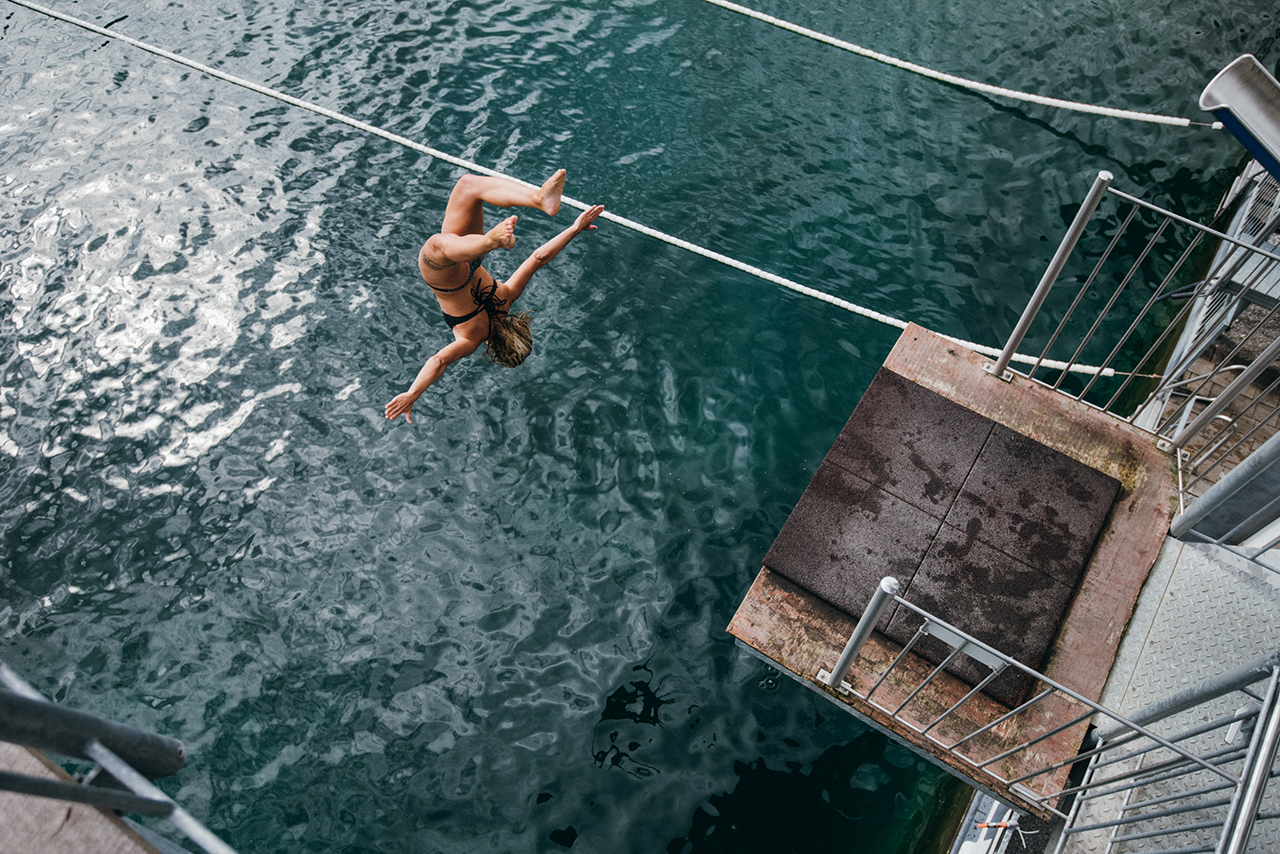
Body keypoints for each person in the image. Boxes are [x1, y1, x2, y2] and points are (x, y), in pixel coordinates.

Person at [384, 169, 605, 423]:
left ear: (518, 329)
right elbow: (438, 361)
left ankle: (523, 212)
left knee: (468, 186)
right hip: (447, 273)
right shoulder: (470, 340)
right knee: (439, 241)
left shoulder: (508, 297)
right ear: (495, 349)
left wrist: (574, 228)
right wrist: (413, 393)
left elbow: (538, 258)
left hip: (471, 257)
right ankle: (532, 206)